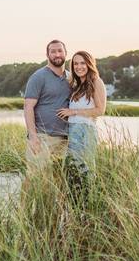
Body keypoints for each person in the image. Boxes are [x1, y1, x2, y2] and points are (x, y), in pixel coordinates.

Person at [23, 39, 71, 175]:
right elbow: (28, 107)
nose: (57, 54)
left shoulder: (71, 78)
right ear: (47, 55)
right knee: (35, 178)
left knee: (57, 181)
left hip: (64, 139)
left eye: (60, 51)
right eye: (53, 51)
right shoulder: (38, 77)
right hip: (42, 137)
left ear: (66, 53)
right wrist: (33, 137)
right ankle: (27, 198)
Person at [56, 50, 106, 183]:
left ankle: (88, 199)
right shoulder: (76, 85)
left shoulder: (96, 82)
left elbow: (100, 110)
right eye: (76, 64)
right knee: (73, 169)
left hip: (86, 131)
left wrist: (73, 112)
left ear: (89, 64)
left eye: (83, 63)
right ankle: (76, 200)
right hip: (73, 130)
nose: (79, 67)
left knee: (86, 169)